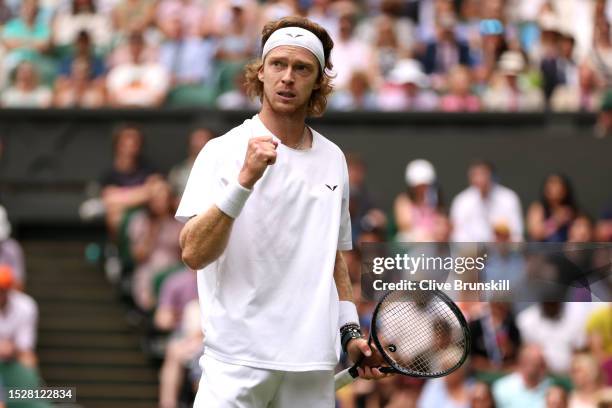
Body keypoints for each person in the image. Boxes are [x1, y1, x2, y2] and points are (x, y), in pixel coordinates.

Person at [175, 16, 386, 406]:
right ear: (261, 73)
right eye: (278, 64)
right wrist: (243, 183)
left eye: (302, 68)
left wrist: (349, 332)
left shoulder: (334, 159)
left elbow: (334, 256)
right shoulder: (222, 152)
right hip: (235, 361)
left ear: (317, 81)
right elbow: (192, 253)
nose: (288, 77)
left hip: (311, 365)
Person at [450, 160, 524, 242]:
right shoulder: (462, 201)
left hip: (504, 251)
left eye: (483, 174)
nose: (480, 179)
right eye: (475, 175)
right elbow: (457, 235)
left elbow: (517, 233)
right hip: (471, 252)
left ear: (493, 176)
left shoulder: (509, 198)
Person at [526, 173, 579, 242]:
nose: (553, 188)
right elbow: (535, 233)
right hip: (542, 250)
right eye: (550, 183)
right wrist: (556, 221)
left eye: (556, 184)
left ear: (565, 189)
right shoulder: (537, 207)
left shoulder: (571, 210)